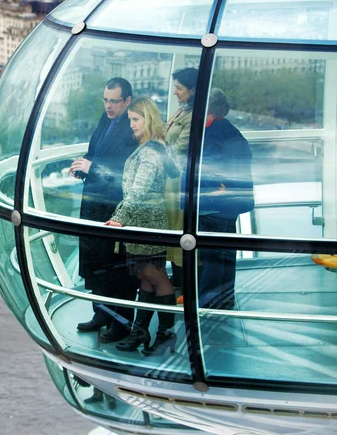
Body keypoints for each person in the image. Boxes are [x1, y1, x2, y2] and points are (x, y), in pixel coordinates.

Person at [103, 97, 177, 356]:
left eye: (136, 119)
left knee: (157, 277)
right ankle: (141, 331)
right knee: (145, 277)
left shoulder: (151, 153)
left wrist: (120, 216)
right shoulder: (154, 147)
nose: (131, 124)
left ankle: (165, 335)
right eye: (131, 119)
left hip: (146, 223)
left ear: (149, 119)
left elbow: (139, 191)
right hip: (144, 223)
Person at [70, 77, 139, 344]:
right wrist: (83, 166)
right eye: (106, 100)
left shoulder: (132, 128)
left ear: (128, 101)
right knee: (96, 263)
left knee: (116, 268)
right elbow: (95, 153)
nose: (108, 106)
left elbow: (126, 172)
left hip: (114, 210)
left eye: (114, 101)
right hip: (94, 204)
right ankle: (101, 313)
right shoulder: (105, 120)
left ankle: (121, 323)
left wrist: (94, 169)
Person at [197, 88, 254, 309]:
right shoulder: (230, 130)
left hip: (216, 204)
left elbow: (208, 169)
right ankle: (224, 298)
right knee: (225, 252)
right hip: (231, 202)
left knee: (212, 255)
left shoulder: (212, 133)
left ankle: (207, 302)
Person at [165, 67, 199, 294]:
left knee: (178, 229)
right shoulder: (181, 111)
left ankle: (184, 286)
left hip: (178, 184)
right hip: (170, 182)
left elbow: (179, 150)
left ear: (192, 90)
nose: (175, 92)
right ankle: (178, 282)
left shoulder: (192, 116)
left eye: (179, 88)